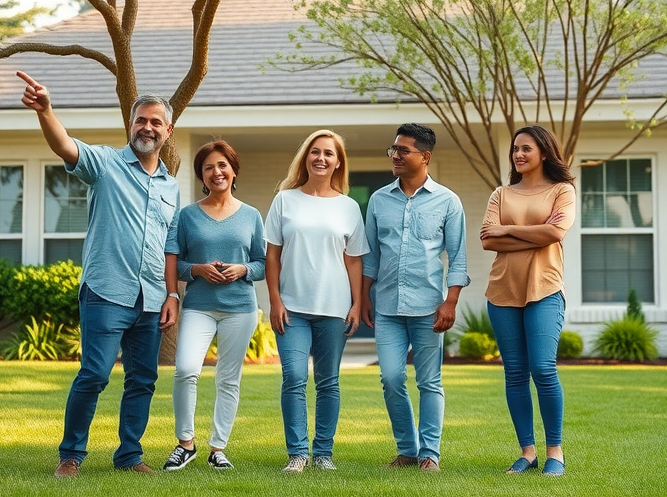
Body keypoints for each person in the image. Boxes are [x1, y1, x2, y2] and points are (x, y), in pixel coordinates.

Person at [17, 71, 181, 478]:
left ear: (168, 130)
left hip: (150, 298)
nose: (147, 127)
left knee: (142, 381)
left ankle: (128, 456)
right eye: (141, 120)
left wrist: (173, 296)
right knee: (93, 375)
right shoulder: (106, 163)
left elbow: (169, 247)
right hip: (106, 291)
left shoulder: (171, 187)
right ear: (130, 125)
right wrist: (46, 110)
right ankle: (71, 455)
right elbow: (65, 146)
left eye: (155, 122)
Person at [360, 123, 469, 473]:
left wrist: (450, 302)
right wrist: (363, 298)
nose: (395, 155)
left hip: (429, 308)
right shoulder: (378, 200)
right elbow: (371, 257)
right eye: (393, 149)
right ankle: (407, 448)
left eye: (403, 150)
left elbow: (458, 256)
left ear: (425, 156)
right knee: (391, 378)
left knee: (429, 381)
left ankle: (429, 455)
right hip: (388, 306)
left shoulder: (448, 201)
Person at [264, 129, 368, 473]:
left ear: (339, 163)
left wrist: (356, 304)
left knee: (328, 381)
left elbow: (354, 260)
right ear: (305, 157)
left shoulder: (349, 207)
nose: (321, 158)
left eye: (329, 154)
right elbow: (273, 256)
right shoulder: (285, 200)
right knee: (293, 376)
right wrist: (275, 300)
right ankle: (297, 453)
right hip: (292, 308)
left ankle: (323, 453)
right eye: (315, 152)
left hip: (334, 309)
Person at [162, 140, 266, 471]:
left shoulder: (251, 215)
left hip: (240, 307)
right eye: (209, 168)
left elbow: (263, 263)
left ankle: (218, 447)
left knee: (228, 378)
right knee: (186, 369)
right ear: (202, 177)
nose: (216, 172)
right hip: (199, 305)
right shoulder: (187, 216)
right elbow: (173, 263)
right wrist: (196, 269)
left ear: (233, 171)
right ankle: (185, 444)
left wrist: (243, 269)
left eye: (222, 165)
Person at [479, 125, 576, 477]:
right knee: (515, 373)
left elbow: (556, 232)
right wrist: (530, 236)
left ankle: (555, 452)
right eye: (515, 149)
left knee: (543, 369)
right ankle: (528, 452)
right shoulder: (501, 194)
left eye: (526, 149)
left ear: (544, 153)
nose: (518, 154)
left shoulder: (562, 191)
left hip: (545, 290)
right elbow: (488, 240)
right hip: (503, 291)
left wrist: (508, 230)